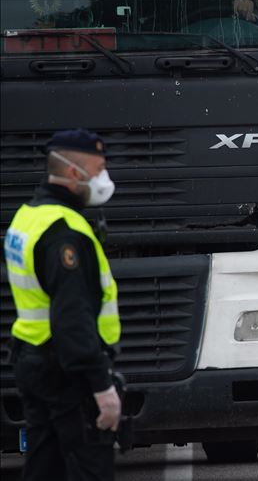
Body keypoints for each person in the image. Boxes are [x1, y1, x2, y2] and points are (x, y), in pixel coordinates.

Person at [3, 129, 123, 481]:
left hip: (32, 359)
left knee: (45, 466)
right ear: (75, 173)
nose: (104, 179)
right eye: (99, 170)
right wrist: (101, 388)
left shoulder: (29, 216)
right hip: (67, 372)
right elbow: (73, 320)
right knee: (89, 469)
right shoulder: (65, 232)